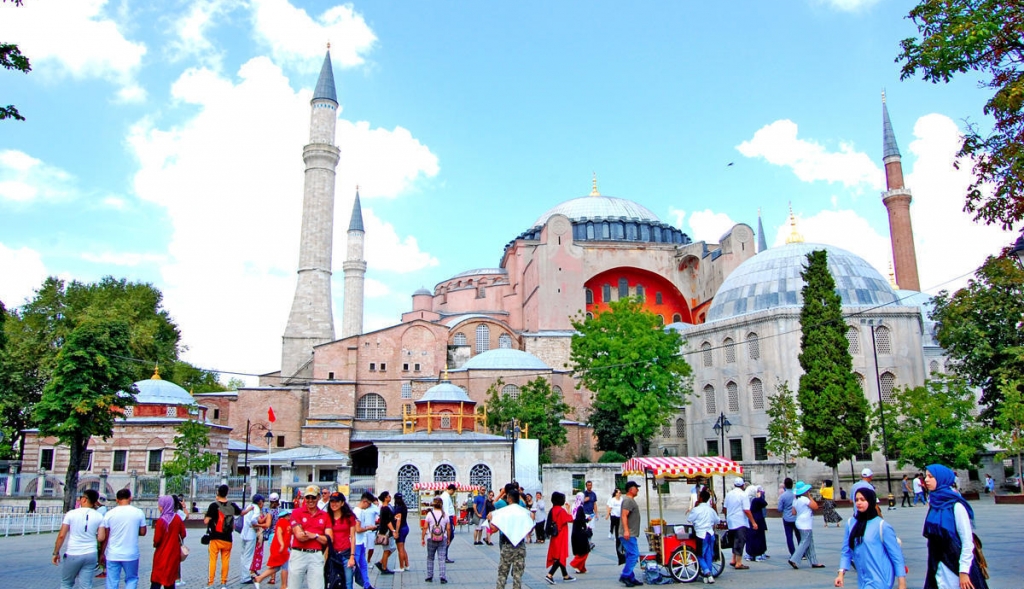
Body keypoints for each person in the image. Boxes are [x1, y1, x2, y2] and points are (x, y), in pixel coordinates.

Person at [922, 464, 987, 589]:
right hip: (937, 564)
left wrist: (964, 572)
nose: (926, 480)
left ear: (941, 478)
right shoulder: (934, 505)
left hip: (955, 565)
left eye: (930, 476)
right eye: (926, 476)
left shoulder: (956, 506)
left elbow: (967, 541)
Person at [835, 488, 906, 589]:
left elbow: (896, 556)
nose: (859, 502)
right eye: (857, 500)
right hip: (863, 579)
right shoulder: (851, 523)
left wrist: (902, 584)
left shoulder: (882, 526)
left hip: (881, 578)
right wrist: (841, 574)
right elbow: (846, 551)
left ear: (871, 501)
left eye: (863, 499)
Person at [52, 489, 104, 589]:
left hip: (74, 552)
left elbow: (61, 535)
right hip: (91, 553)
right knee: (86, 585)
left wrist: (56, 552)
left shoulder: (71, 514)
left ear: (84, 499)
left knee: (66, 583)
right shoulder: (99, 516)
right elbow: (101, 537)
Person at [101, 488, 148, 589]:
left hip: (112, 553)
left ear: (117, 500)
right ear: (130, 498)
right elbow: (143, 532)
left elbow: (106, 536)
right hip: (131, 554)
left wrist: (102, 553)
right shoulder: (138, 512)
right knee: (131, 579)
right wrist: (133, 530)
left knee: (112, 581)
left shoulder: (109, 514)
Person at [489, 487, 533, 589]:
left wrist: (490, 520)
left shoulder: (503, 512)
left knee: (502, 574)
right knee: (517, 575)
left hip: (507, 545)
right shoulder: (525, 512)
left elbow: (493, 529)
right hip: (520, 545)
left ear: (509, 498)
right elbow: (530, 529)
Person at [289, 485, 330, 589]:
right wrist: (318, 536)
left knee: (318, 586)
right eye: (308, 497)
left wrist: (313, 535)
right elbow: (299, 536)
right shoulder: (296, 512)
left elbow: (328, 540)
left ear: (318, 497)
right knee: (293, 586)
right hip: (299, 553)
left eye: (313, 497)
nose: (310, 500)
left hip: (316, 555)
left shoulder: (325, 515)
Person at [204, 484, 242, 589]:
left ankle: (211, 583)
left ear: (218, 493)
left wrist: (207, 517)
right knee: (225, 560)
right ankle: (224, 583)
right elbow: (241, 513)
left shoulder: (213, 505)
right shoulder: (232, 505)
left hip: (215, 537)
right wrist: (250, 508)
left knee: (213, 560)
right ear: (227, 493)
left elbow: (206, 521)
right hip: (227, 538)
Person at [323, 492, 358, 589]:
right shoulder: (327, 517)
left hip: (346, 553)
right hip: (332, 554)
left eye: (337, 501)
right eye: (332, 502)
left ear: (342, 503)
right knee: (332, 581)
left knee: (348, 583)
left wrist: (352, 556)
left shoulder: (349, 517)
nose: (334, 504)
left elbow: (353, 537)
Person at [151, 495, 186, 589]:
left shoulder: (161, 521)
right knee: (170, 579)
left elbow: (157, 540)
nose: (159, 507)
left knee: (157, 579)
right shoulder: (177, 518)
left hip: (161, 553)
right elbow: (183, 534)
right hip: (174, 553)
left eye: (160, 505)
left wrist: (155, 544)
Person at [686, 489, 720, 584]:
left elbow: (689, 519)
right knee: (709, 554)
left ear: (700, 498)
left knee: (699, 555)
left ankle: (707, 572)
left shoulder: (696, 510)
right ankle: (709, 574)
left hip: (701, 535)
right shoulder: (711, 510)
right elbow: (717, 520)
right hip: (710, 534)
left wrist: (695, 506)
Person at [788, 481, 824, 569]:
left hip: (799, 522)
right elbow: (815, 506)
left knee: (809, 542)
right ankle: (794, 559)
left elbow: (793, 512)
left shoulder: (795, 500)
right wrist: (809, 496)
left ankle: (813, 561)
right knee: (805, 542)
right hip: (805, 523)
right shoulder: (805, 499)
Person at [723, 477, 755, 570]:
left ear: (734, 485)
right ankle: (739, 562)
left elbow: (725, 508)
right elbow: (746, 510)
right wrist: (753, 522)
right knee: (740, 541)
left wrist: (727, 517)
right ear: (743, 485)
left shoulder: (729, 494)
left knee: (734, 541)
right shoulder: (743, 495)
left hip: (731, 521)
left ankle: (733, 559)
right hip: (740, 521)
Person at [253, 509, 291, 589]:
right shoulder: (283, 522)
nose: (290, 516)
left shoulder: (285, 523)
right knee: (285, 567)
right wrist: (282, 544)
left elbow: (287, 536)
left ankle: (259, 578)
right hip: (281, 548)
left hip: (281, 548)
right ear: (285, 516)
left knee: (276, 567)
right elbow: (279, 533)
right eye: (288, 515)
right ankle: (284, 585)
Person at [544, 491, 575, 584]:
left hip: (555, 536)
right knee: (560, 556)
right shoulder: (561, 511)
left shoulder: (552, 510)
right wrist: (568, 509)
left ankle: (565, 575)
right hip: (561, 536)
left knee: (559, 556)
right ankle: (550, 574)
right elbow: (571, 519)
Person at [618, 481, 642, 587]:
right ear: (631, 489)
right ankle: (625, 575)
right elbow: (624, 515)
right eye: (636, 488)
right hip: (628, 533)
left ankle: (631, 578)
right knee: (634, 554)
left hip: (630, 533)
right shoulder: (628, 500)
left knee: (629, 555)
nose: (638, 490)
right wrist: (626, 530)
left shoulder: (630, 500)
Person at [422, 496, 450, 584]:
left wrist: (422, 538)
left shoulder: (429, 514)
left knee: (430, 557)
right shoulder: (445, 515)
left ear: (433, 504)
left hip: (431, 538)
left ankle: (429, 576)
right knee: (442, 558)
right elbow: (448, 528)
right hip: (442, 538)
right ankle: (442, 577)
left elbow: (425, 527)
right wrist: (448, 538)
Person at [242, 494, 269, 584]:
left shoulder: (249, 506)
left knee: (244, 555)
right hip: (251, 533)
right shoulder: (256, 508)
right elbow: (254, 520)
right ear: (259, 501)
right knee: (249, 556)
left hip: (244, 532)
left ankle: (245, 574)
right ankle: (246, 577)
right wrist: (258, 525)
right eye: (262, 502)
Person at [374, 491, 397, 574]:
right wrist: (393, 530)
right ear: (385, 498)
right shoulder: (385, 508)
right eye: (388, 496)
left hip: (386, 531)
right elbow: (387, 521)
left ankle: (381, 562)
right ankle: (383, 567)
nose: (390, 497)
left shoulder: (386, 507)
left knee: (391, 548)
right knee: (387, 549)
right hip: (386, 532)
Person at [778, 477, 801, 557]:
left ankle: (793, 553)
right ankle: (802, 553)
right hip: (796, 517)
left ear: (785, 485)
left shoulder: (783, 496)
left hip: (787, 518)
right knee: (799, 536)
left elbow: (780, 508)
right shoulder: (796, 494)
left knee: (789, 536)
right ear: (792, 485)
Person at [569, 493, 591, 575]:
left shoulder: (574, 506)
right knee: (585, 550)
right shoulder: (580, 508)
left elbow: (574, 518)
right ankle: (575, 563)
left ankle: (581, 568)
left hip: (575, 530)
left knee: (580, 550)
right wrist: (586, 520)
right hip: (580, 531)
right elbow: (579, 520)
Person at [745, 486, 768, 562]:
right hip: (757, 519)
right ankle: (758, 554)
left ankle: (750, 554)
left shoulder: (747, 499)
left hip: (749, 519)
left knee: (750, 537)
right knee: (758, 537)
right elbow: (764, 503)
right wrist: (759, 496)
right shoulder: (755, 500)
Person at [393, 493, 410, 572]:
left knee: (400, 549)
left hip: (401, 529)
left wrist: (396, 531)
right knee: (402, 548)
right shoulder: (404, 507)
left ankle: (401, 567)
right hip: (405, 527)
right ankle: (407, 565)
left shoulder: (398, 508)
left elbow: (398, 521)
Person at [441, 484, 457, 554]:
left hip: (449, 517)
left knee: (449, 535)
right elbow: (446, 510)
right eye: (453, 491)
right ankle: (444, 552)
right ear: (451, 490)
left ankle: (444, 552)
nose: (453, 493)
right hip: (448, 518)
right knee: (449, 535)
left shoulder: (446, 496)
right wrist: (447, 522)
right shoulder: (446, 497)